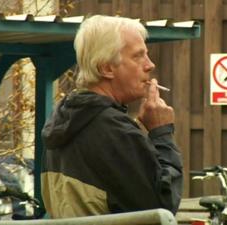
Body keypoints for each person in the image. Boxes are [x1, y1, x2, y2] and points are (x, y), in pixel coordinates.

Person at [40, 15, 183, 218]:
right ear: (106, 68)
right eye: (138, 56)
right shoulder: (112, 129)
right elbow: (162, 208)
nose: (150, 65)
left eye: (147, 55)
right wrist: (162, 133)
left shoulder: (62, 120)